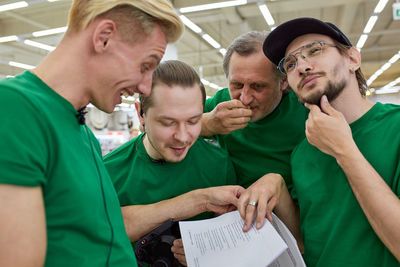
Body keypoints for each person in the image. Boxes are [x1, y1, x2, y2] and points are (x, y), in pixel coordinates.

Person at [0, 0, 183, 266]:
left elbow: (99, 234)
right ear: (104, 38)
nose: (146, 87)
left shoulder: (80, 130)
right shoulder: (15, 109)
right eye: (146, 66)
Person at [241, 17, 400, 266]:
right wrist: (277, 184)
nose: (302, 66)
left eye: (315, 50)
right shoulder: (302, 154)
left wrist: (344, 151)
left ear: (352, 59)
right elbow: (306, 243)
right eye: (290, 64)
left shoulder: (395, 128)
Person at [103, 60, 243, 265]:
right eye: (168, 123)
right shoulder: (108, 172)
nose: (183, 137)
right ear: (140, 113)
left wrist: (212, 255)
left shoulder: (217, 162)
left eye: (193, 121)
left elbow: (233, 241)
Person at [201, 31, 307, 233]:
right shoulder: (221, 105)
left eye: (258, 86)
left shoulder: (305, 110)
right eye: (237, 85)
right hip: (235, 226)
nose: (245, 98)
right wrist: (207, 123)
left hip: (290, 224)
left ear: (284, 82)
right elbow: (162, 128)